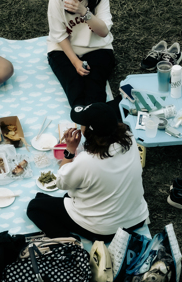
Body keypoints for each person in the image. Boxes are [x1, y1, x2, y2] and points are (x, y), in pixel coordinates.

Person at [26, 102, 148, 242]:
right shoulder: (129, 137)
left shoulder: (87, 160)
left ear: (88, 131)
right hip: (137, 218)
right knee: (54, 197)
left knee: (35, 206)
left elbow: (61, 182)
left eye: (82, 124)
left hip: (105, 231)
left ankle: (69, 240)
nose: (80, 126)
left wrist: (70, 150)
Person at [46, 0, 115, 109]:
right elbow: (58, 35)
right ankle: (80, 115)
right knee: (74, 86)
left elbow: (103, 32)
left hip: (97, 47)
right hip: (63, 49)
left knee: (95, 87)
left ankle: (96, 119)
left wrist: (84, 12)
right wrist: (75, 62)